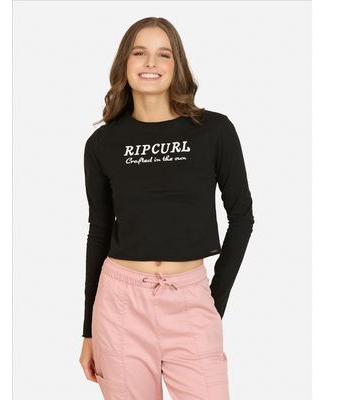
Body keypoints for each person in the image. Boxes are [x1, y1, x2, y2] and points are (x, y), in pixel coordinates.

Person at [79, 17, 255, 400]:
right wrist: (88, 330)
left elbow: (242, 218)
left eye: (163, 54)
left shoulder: (214, 131)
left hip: (190, 299)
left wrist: (213, 302)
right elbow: (99, 231)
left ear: (177, 65)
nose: (150, 63)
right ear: (124, 63)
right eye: (139, 53)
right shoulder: (103, 144)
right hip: (119, 305)